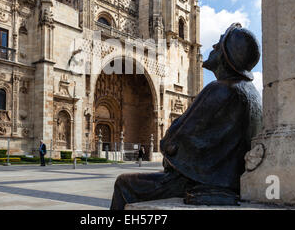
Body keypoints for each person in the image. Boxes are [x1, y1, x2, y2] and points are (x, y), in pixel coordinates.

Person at [110, 23, 262, 210]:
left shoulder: (220, 89)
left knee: (124, 184)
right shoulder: (252, 94)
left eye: (220, 43)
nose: (213, 46)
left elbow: (171, 144)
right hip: (227, 180)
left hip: (203, 182)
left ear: (227, 55)